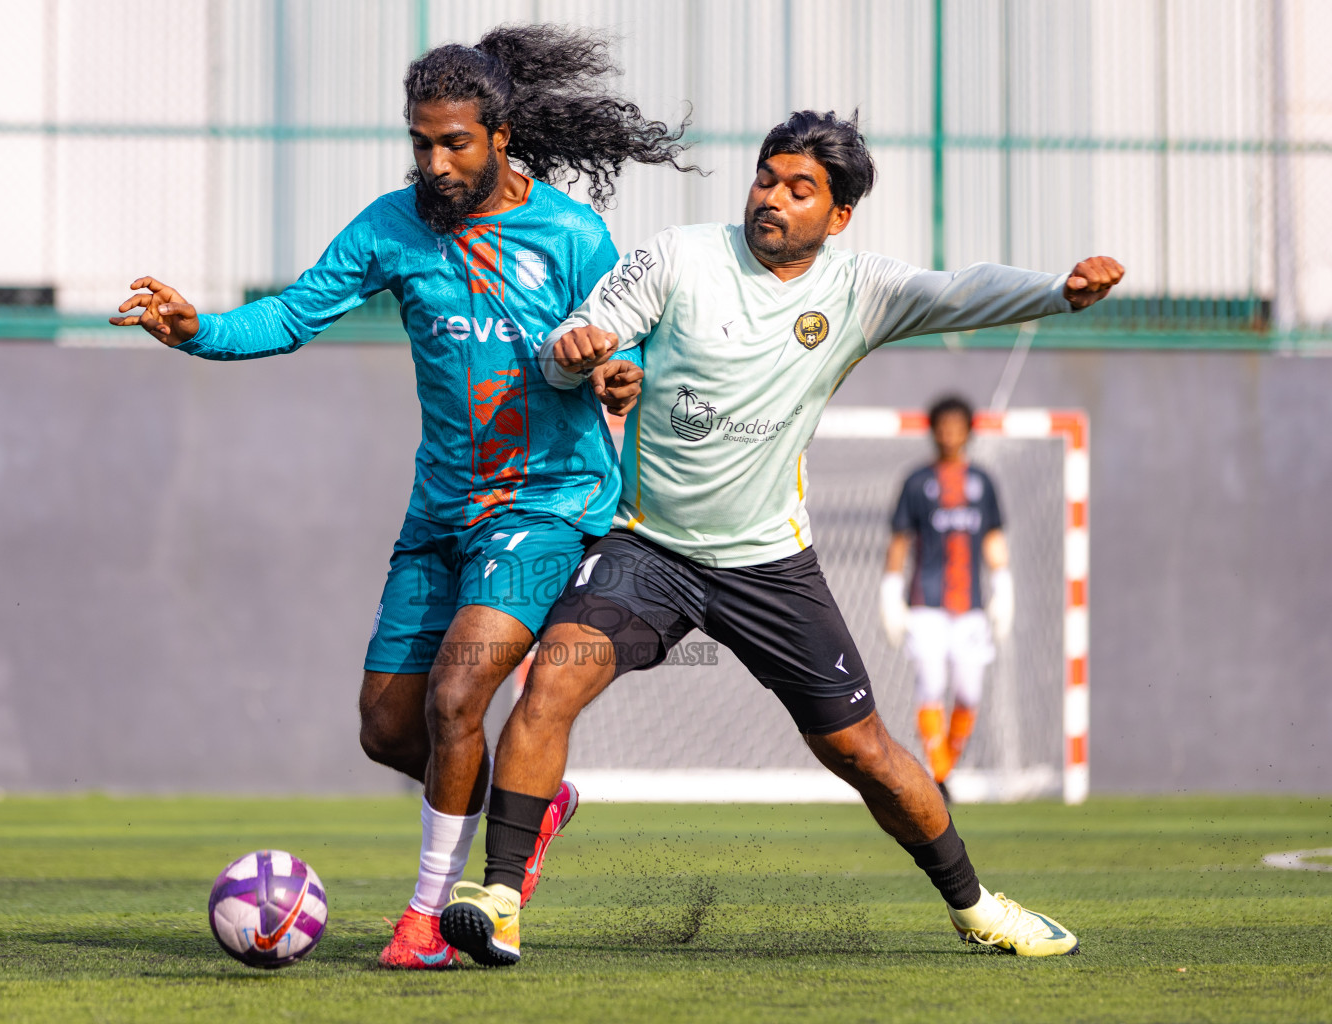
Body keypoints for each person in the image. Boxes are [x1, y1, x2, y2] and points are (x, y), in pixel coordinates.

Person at [438, 109, 1123, 965]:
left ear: (837, 217)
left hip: (769, 564)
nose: (775, 198)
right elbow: (573, 348)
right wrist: (578, 352)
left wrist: (1060, 291)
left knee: (863, 750)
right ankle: (498, 897)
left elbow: (958, 289)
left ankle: (976, 904)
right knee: (551, 682)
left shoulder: (857, 289)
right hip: (648, 549)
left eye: (802, 190)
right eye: (768, 178)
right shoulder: (679, 256)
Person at [107, 26, 696, 969]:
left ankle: (428, 922)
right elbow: (294, 312)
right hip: (440, 515)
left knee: (460, 693)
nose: (434, 160)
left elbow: (623, 342)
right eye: (420, 141)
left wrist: (618, 376)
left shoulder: (572, 236)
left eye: (453, 141)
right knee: (389, 726)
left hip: (545, 503)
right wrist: (200, 328)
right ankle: (529, 804)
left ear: (501, 136)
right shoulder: (394, 226)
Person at [880, 396, 1012, 803]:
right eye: (943, 426)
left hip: (969, 606)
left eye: (957, 426)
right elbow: (900, 540)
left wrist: (1003, 583)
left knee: (970, 692)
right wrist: (890, 590)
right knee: (931, 684)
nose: (949, 433)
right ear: (933, 430)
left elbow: (992, 536)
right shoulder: (917, 481)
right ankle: (939, 775)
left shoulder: (983, 482)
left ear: (968, 431)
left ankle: (945, 766)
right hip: (926, 604)